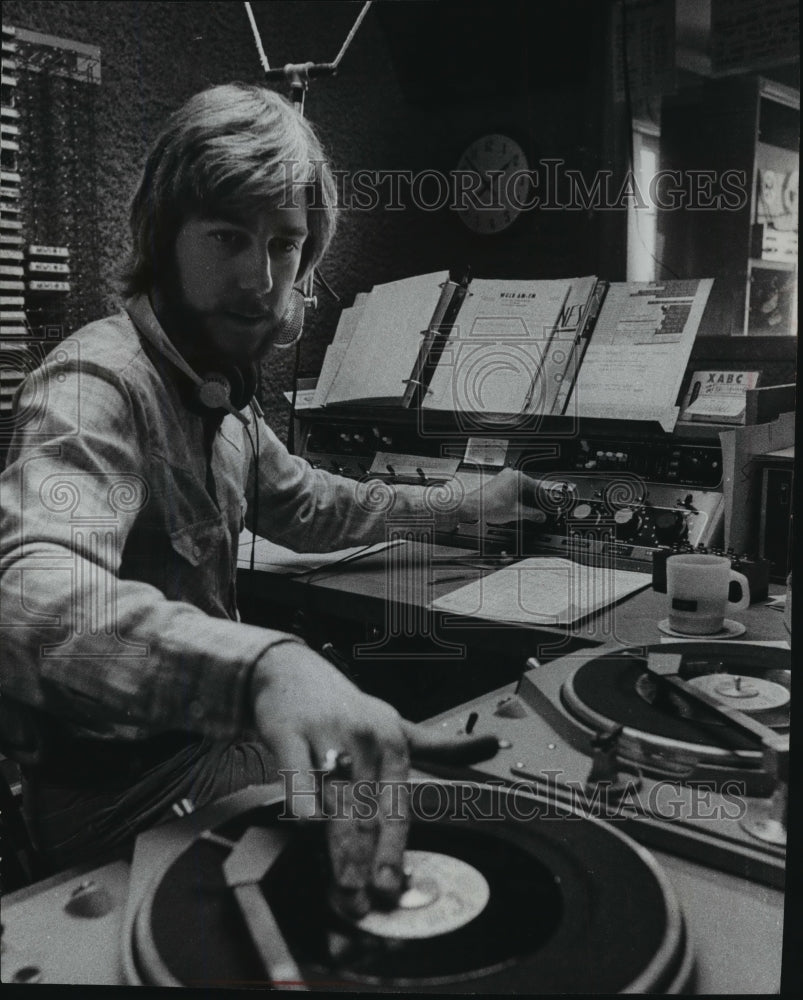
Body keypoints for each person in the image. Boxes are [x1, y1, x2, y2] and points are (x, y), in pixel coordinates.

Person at [0, 83, 542, 917]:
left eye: (285, 245)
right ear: (163, 239)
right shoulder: (95, 385)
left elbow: (315, 506)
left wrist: (469, 504)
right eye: (227, 237)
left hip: (212, 747)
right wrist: (265, 666)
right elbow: (34, 594)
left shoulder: (221, 392)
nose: (261, 279)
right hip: (117, 791)